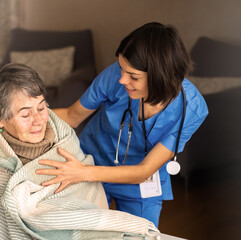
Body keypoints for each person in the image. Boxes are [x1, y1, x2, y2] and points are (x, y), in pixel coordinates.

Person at [0, 63, 160, 240]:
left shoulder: (63, 137)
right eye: (25, 115)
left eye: (42, 107)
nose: (39, 121)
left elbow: (84, 200)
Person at [36, 22, 209, 227]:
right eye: (122, 69)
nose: (122, 80)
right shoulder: (116, 75)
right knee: (87, 230)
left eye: (133, 77)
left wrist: (81, 172)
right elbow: (72, 116)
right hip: (91, 161)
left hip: (138, 181)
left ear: (161, 77)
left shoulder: (192, 109)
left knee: (141, 232)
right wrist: (28, 115)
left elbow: (144, 170)